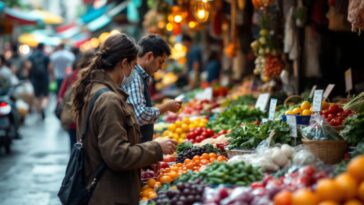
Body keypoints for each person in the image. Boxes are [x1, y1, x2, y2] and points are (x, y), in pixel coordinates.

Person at [71, 33, 176, 205]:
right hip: (110, 193)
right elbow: (118, 155)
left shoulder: (94, 89)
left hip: (101, 188)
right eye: (133, 65)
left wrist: (144, 160)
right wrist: (156, 148)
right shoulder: (109, 100)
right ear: (124, 63)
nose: (133, 72)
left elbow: (106, 147)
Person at [123, 34, 181, 142]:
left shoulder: (140, 76)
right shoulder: (135, 76)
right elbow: (140, 115)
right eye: (160, 62)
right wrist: (166, 106)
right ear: (149, 56)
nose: (160, 67)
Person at [57, 51, 94, 150]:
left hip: (72, 119)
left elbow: (60, 96)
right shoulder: (93, 76)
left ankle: (74, 165)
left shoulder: (71, 76)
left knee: (74, 149)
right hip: (89, 121)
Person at [28, 43, 50, 120]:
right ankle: (43, 107)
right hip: (45, 78)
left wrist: (29, 76)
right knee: (45, 95)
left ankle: (39, 111)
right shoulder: (46, 56)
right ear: (43, 48)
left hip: (35, 78)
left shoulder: (31, 56)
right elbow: (49, 68)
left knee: (36, 96)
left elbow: (29, 67)